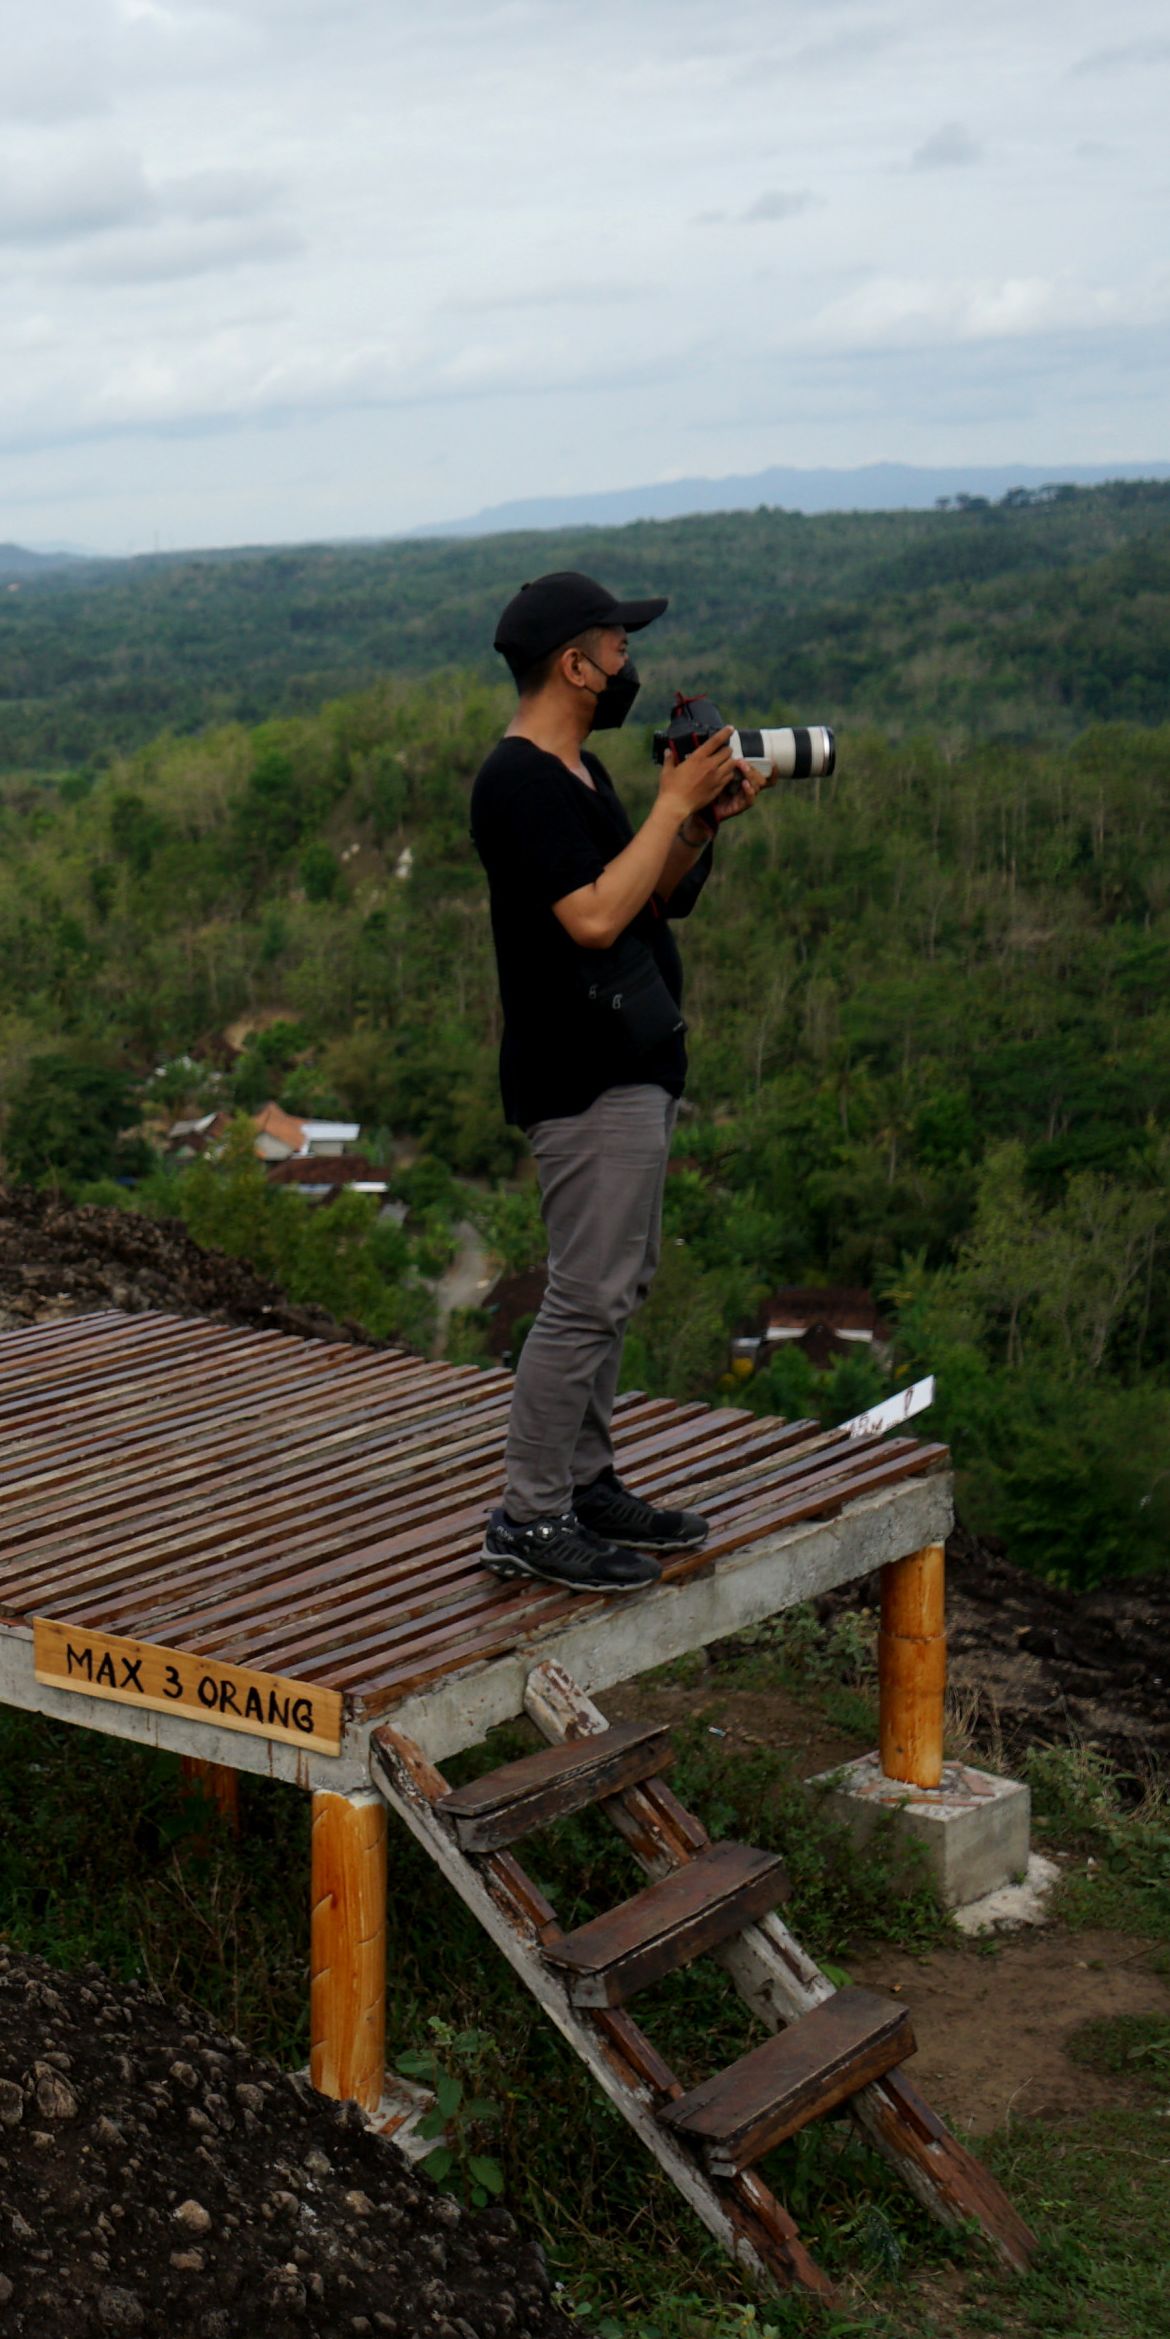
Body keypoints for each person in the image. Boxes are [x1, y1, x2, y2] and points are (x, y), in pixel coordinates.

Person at [467, 570, 759, 1591]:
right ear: (573, 664)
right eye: (617, 646)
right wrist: (671, 800)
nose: (629, 662)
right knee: (585, 1293)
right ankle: (528, 1515)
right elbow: (590, 918)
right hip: (579, 1071)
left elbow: (648, 897)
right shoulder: (516, 781)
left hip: (630, 1060)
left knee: (617, 1286)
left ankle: (583, 1483)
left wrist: (697, 821)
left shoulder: (581, 770)